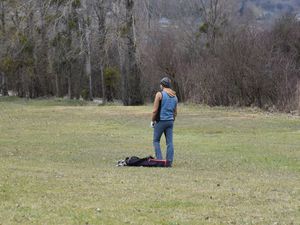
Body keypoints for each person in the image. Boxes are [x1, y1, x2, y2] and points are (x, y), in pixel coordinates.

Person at [151, 77, 178, 167]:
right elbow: (175, 112)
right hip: (170, 121)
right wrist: (172, 120)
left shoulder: (159, 94)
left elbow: (155, 110)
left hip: (161, 121)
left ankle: (160, 160)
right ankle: (169, 162)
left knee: (156, 140)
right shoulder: (174, 96)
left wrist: (152, 121)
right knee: (169, 142)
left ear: (162, 85)